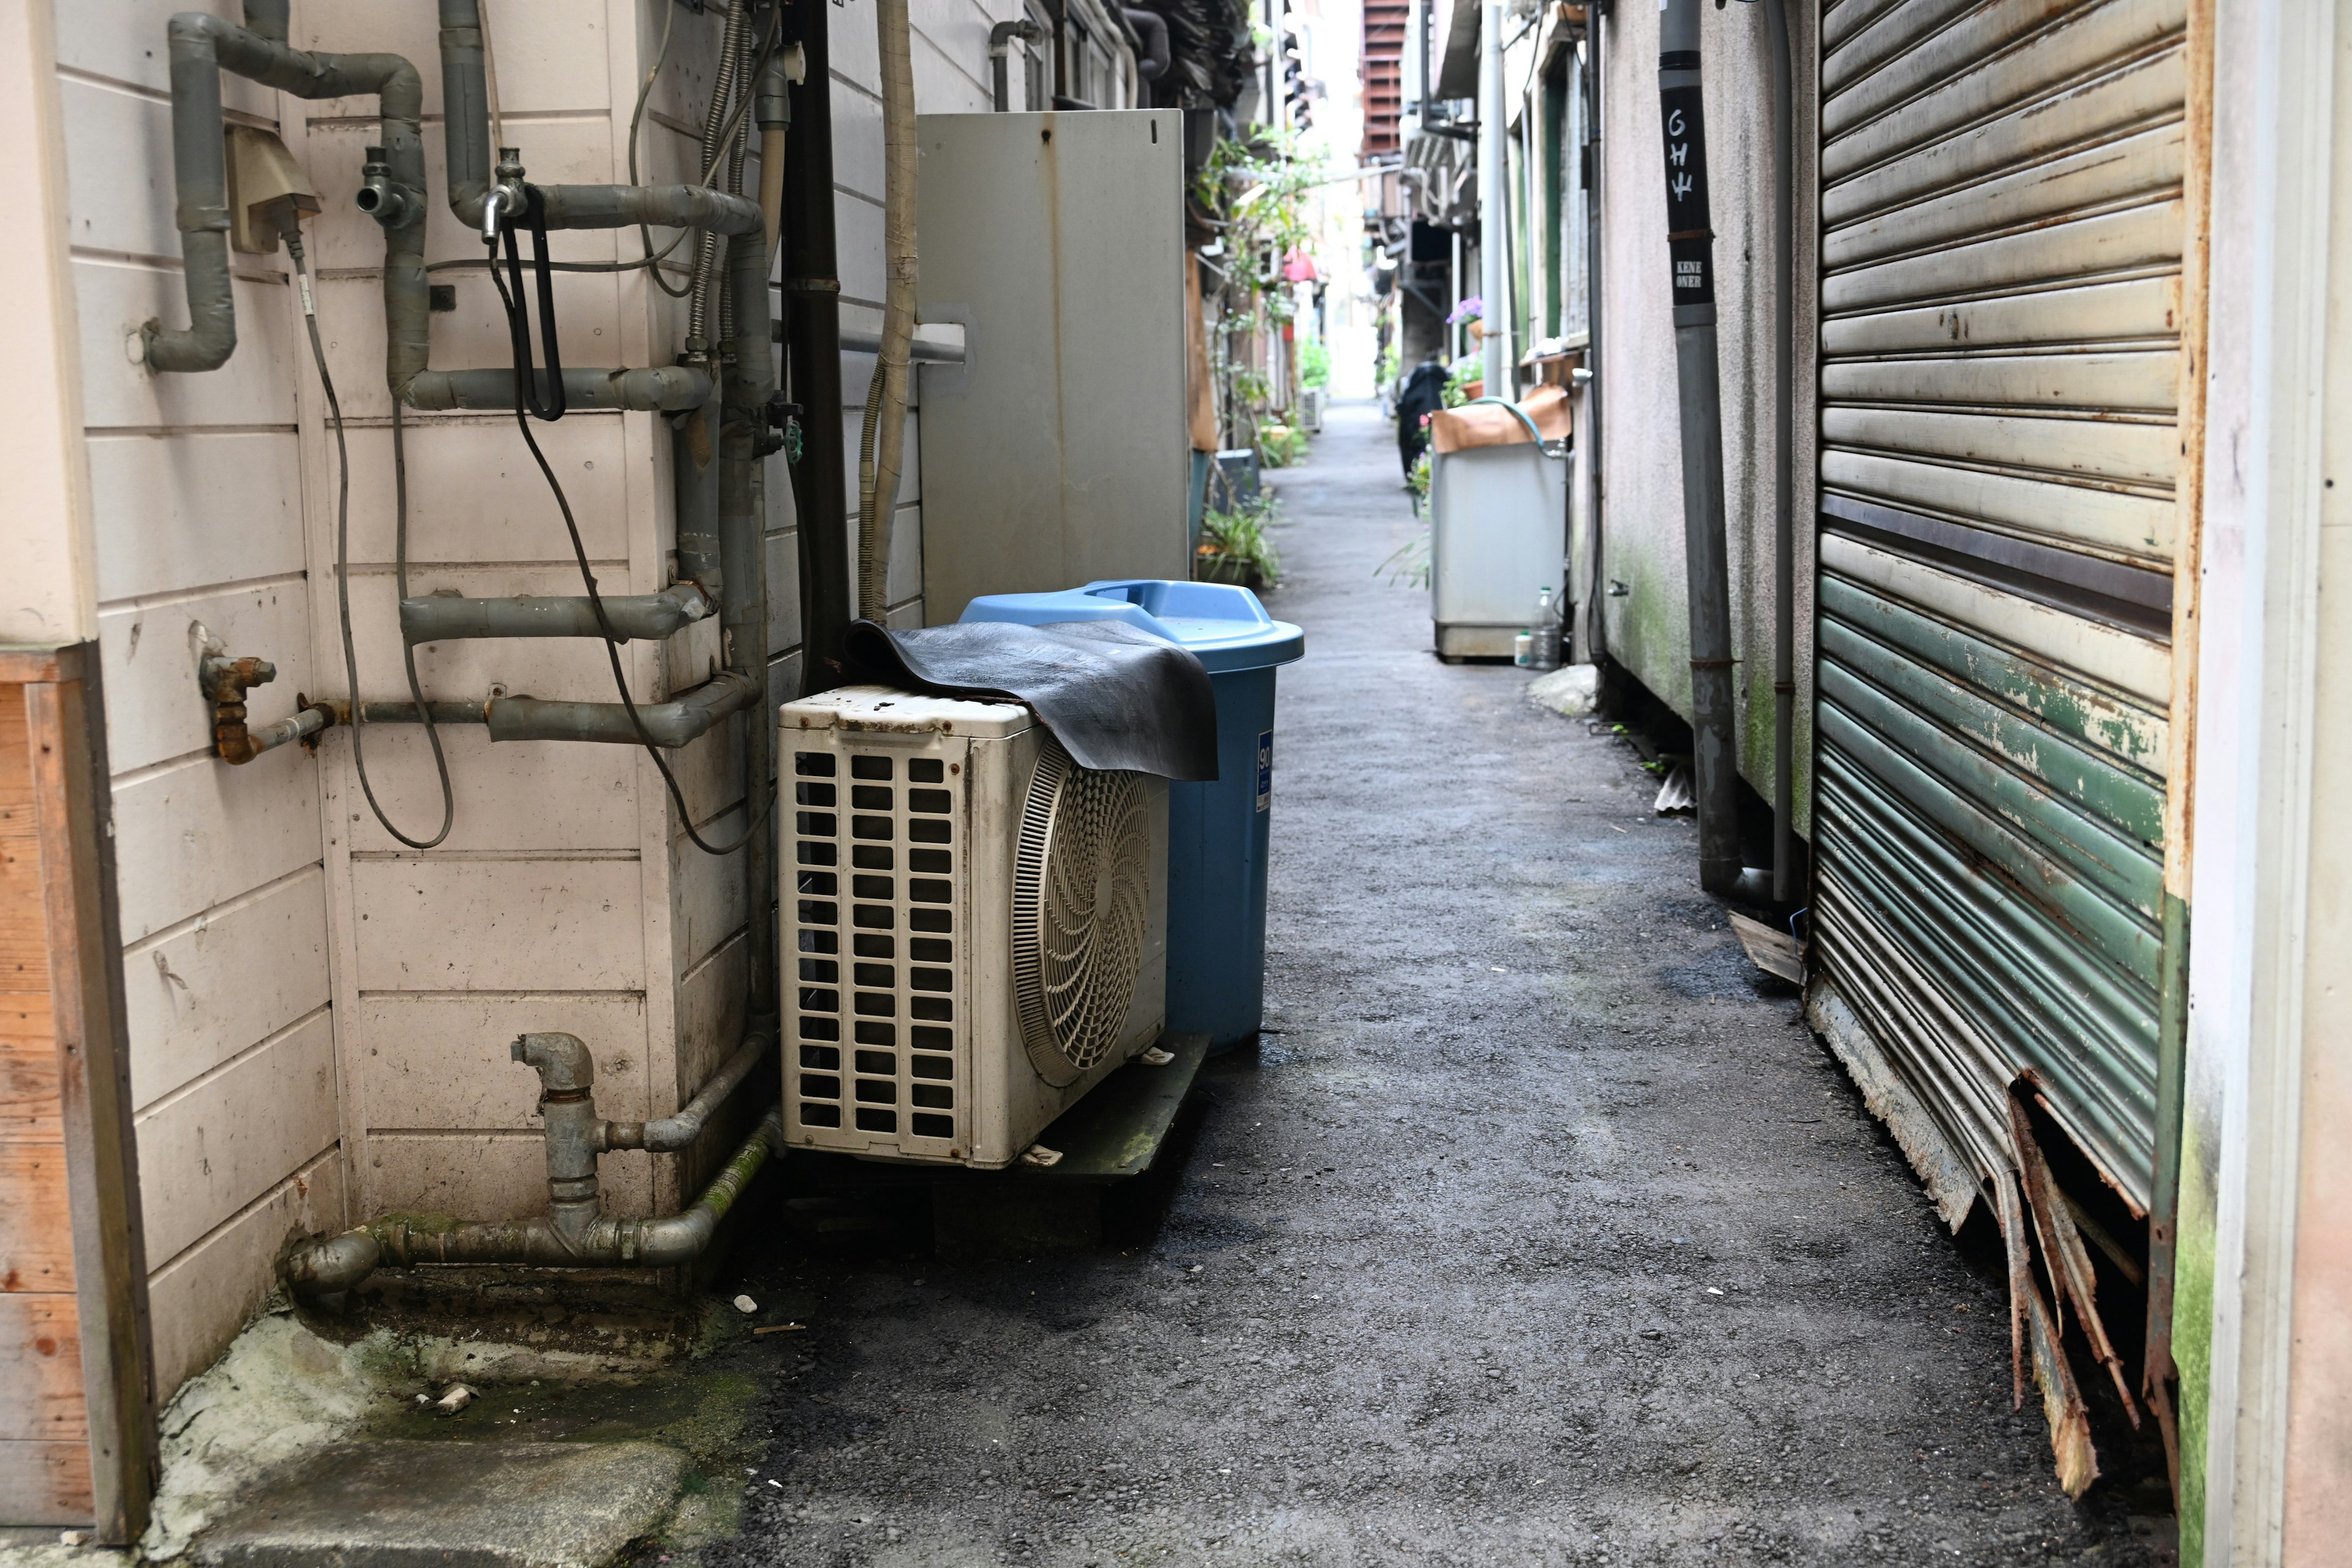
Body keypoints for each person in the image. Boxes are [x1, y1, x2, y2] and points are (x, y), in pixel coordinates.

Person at [1394, 353, 1449, 480]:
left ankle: (1415, 476)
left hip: (1416, 429)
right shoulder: (1443, 392)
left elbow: (1405, 444)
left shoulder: (1412, 393)